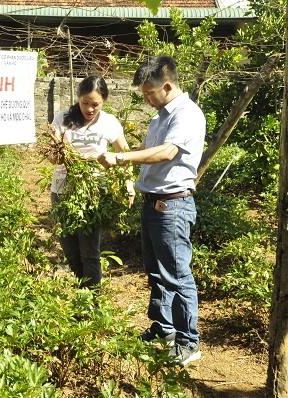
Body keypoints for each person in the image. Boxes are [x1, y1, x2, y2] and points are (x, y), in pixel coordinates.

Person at [98, 56, 205, 366]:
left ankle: (188, 342)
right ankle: (163, 327)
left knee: (177, 274)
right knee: (157, 272)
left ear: (167, 86)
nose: (145, 99)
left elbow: (167, 153)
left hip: (172, 205)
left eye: (149, 93)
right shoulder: (160, 116)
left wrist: (122, 159)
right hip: (153, 203)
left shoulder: (186, 114)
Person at [49, 75, 135, 289]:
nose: (89, 109)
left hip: (93, 193)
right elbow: (52, 156)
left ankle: (93, 299)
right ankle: (82, 293)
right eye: (84, 103)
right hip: (62, 189)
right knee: (69, 248)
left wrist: (128, 184)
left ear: (104, 101)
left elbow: (124, 155)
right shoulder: (63, 118)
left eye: (95, 104)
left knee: (89, 251)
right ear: (78, 99)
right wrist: (59, 155)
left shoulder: (109, 122)